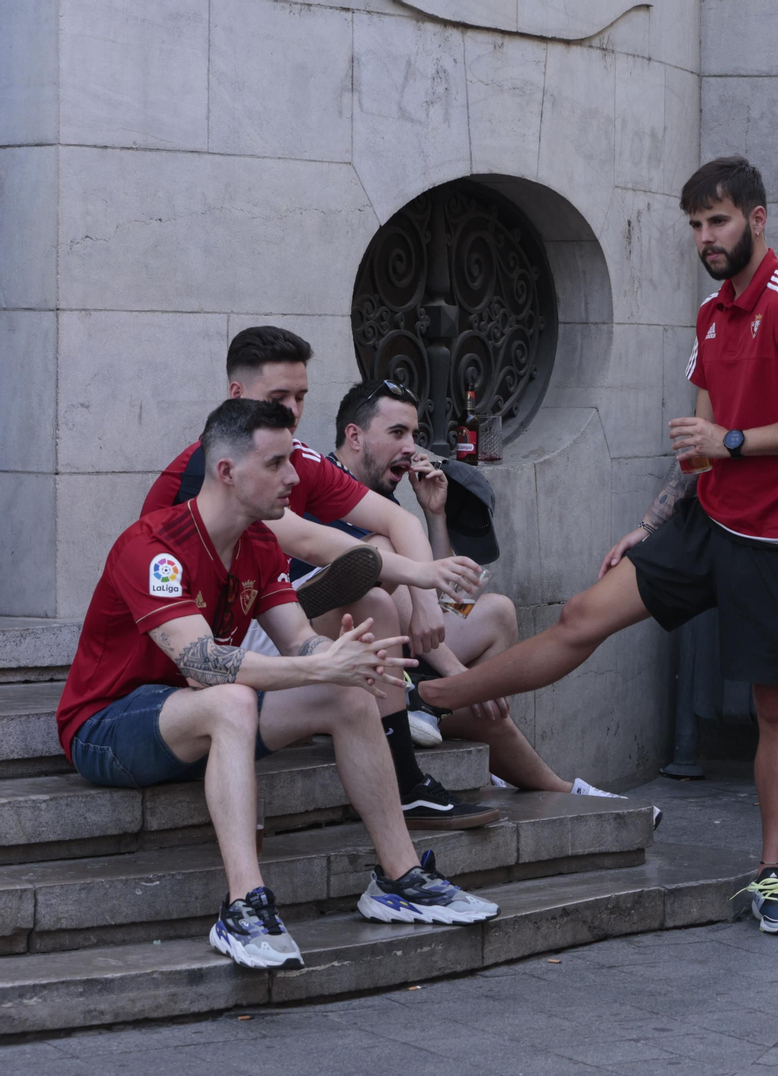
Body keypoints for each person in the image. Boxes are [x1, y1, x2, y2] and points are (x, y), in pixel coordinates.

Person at [415, 157, 778, 936]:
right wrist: (652, 525)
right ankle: (426, 699)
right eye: (694, 225)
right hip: (705, 522)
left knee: (773, 707)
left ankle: (774, 873)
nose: (704, 238)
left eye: (716, 221)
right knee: (583, 613)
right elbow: (700, 445)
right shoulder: (711, 317)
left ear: (756, 219)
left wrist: (733, 439)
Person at [57, 400, 497, 969]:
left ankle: (399, 878)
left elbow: (296, 640)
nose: (294, 477)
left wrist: (339, 656)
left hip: (198, 715)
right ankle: (244, 907)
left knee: (347, 692)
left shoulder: (260, 543)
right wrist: (315, 667)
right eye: (276, 463)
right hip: (107, 726)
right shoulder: (153, 547)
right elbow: (204, 663)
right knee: (232, 698)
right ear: (227, 472)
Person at [141, 328, 498, 831]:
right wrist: (421, 574)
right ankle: (408, 703)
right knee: (369, 579)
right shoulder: (214, 468)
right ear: (238, 396)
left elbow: (400, 521)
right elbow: (308, 541)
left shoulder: (297, 458)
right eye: (278, 397)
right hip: (187, 648)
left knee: (374, 599)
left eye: (301, 396)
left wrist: (424, 604)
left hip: (254, 619)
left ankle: (405, 777)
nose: (292, 410)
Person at [327, 379, 637, 807]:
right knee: (380, 558)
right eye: (397, 433)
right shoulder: (324, 487)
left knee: (497, 613)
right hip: (345, 667)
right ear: (355, 436)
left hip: (399, 654)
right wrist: (465, 680)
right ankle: (561, 789)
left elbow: (441, 604)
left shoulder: (386, 500)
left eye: (414, 435)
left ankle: (439, 710)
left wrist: (434, 515)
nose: (410, 447)